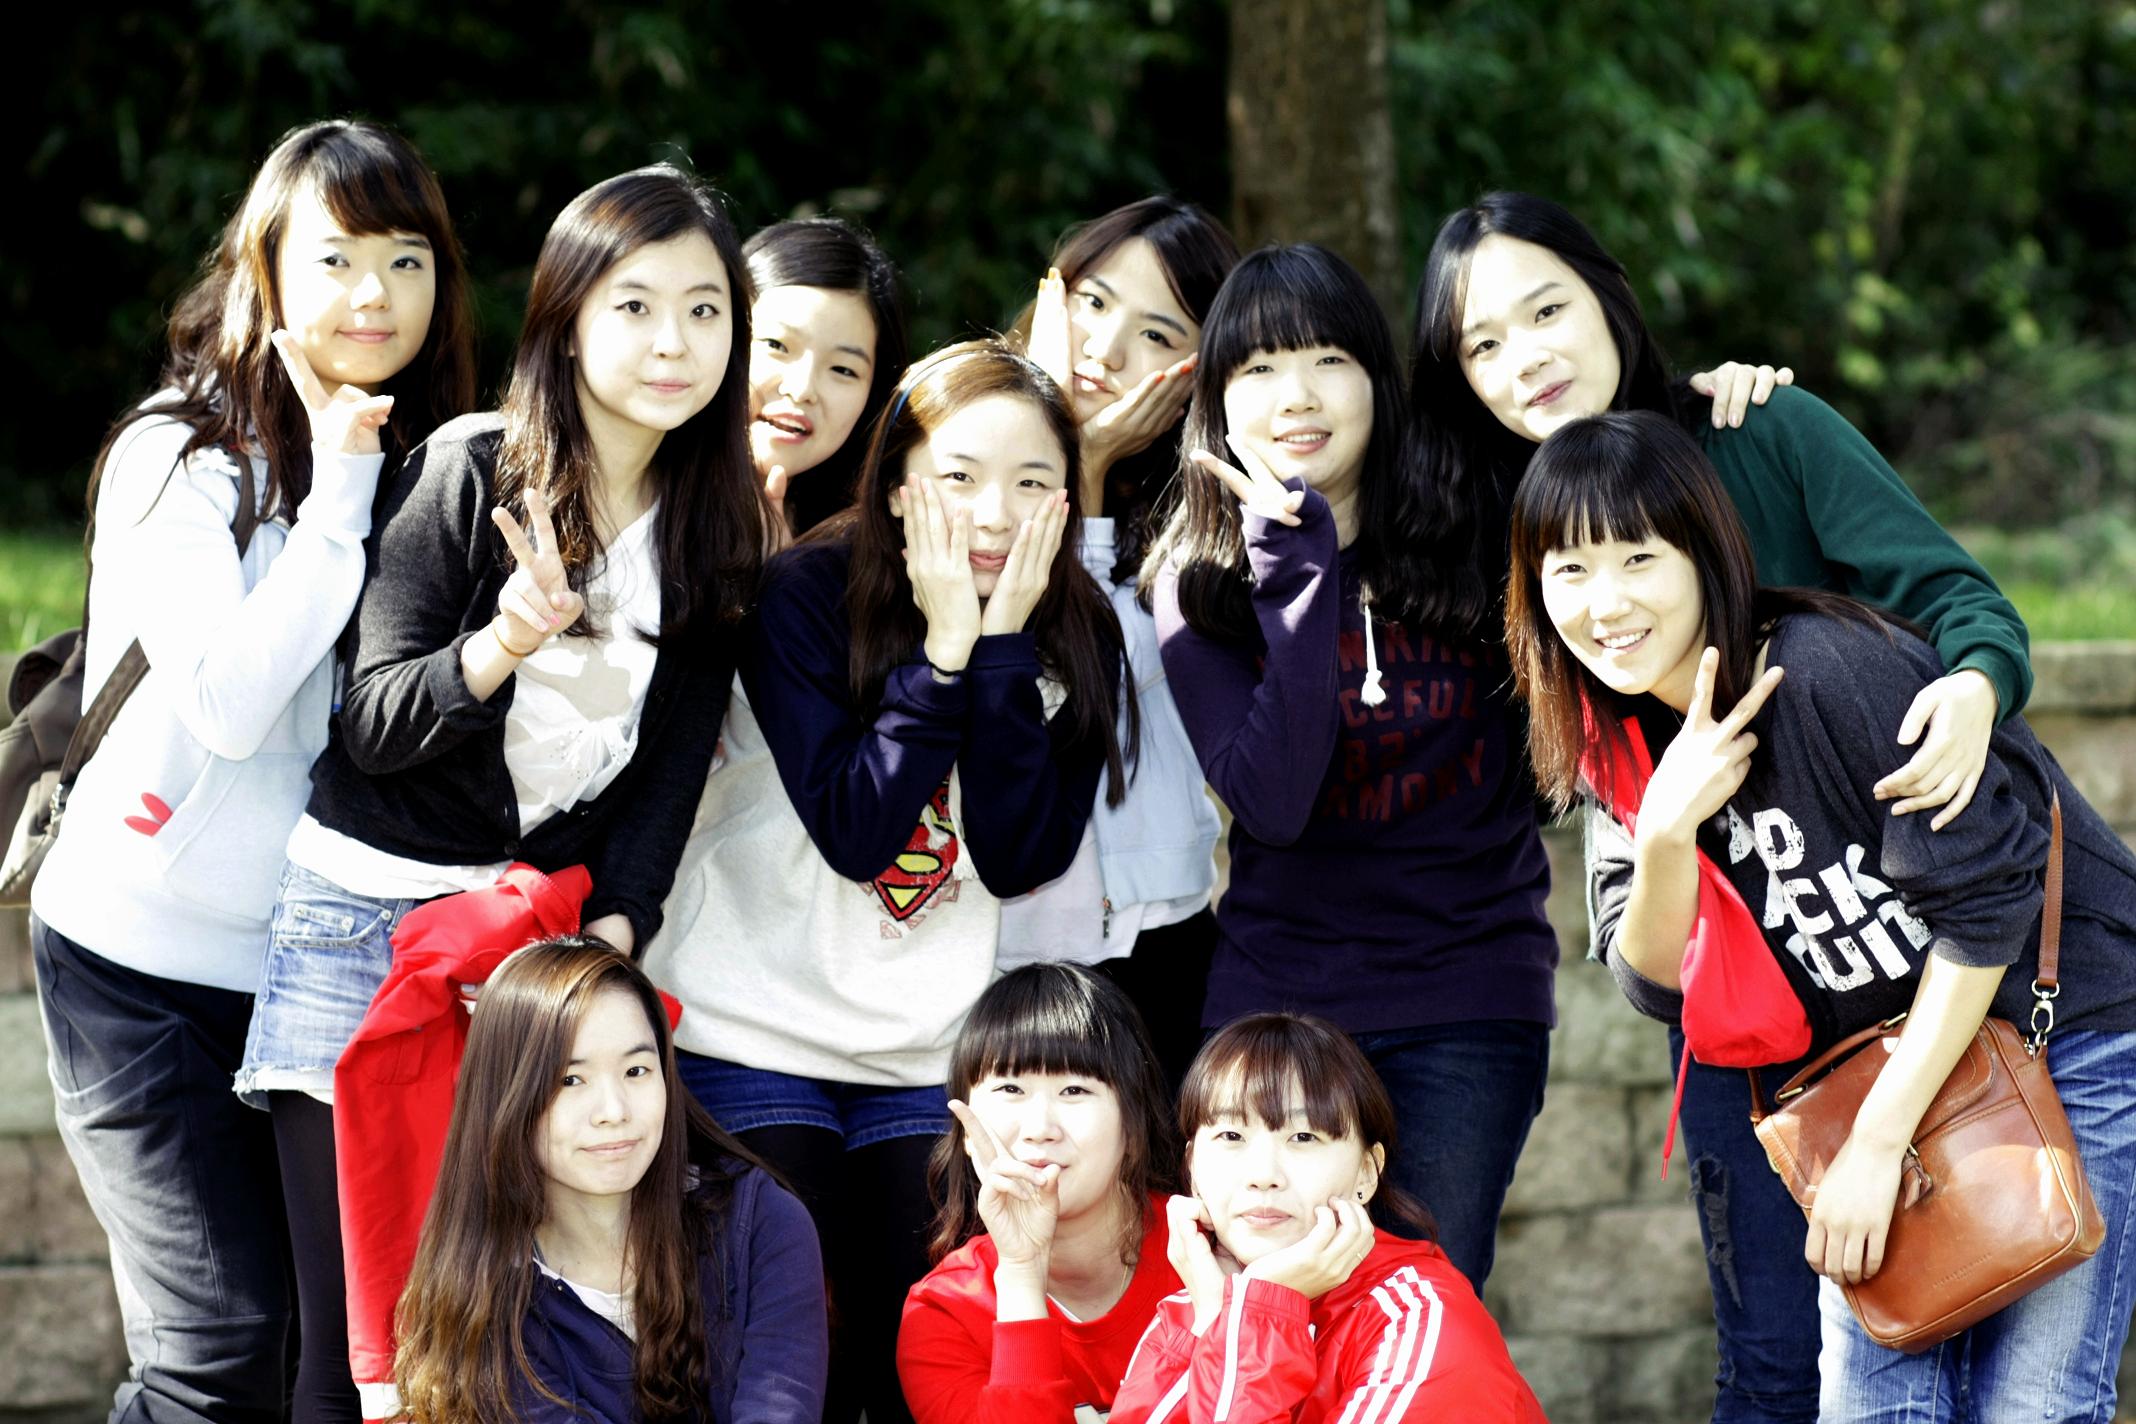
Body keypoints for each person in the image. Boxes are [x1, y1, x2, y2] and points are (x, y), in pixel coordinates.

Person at [1407, 190, 2034, 1419]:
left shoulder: (1758, 429)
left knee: (1969, 1330)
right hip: (1739, 998)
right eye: (1482, 342)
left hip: (1904, 964)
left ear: (1609, 300)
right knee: (1771, 1362)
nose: (1523, 356)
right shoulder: (1504, 523)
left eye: (1547, 311)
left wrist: (1972, 687)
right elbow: (1639, 940)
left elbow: (1964, 601)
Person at [238, 163, 763, 1423]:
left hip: (523, 954)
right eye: (635, 306)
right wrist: (501, 644)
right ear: (566, 317)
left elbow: (667, 778)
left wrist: (615, 931)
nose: (674, 341)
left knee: (485, 1339)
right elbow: (372, 726)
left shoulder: (713, 526)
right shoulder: (472, 469)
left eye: (704, 309)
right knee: (355, 1347)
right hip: (360, 932)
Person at [1506, 409, 2136, 1422]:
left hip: (2067, 1031)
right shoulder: (1615, 739)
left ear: (1706, 550)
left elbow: (1985, 911)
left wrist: (1877, 1143)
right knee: (1871, 1404)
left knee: (2033, 1400)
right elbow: (1654, 981)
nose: (1605, 602)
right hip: (1905, 1069)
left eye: (1638, 558)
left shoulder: (1828, 670)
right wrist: (1664, 833)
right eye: (1569, 570)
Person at [28, 118, 474, 1424]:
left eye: (406, 261)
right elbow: (226, 702)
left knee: (317, 1361)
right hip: (137, 966)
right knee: (216, 1349)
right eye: (337, 259)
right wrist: (337, 494)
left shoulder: (438, 465)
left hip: (312, 973)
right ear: (266, 269)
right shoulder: (179, 458)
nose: (374, 295)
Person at [648, 338, 1131, 1424]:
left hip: (925, 1051)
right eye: (960, 477)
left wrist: (1000, 652)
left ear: (1067, 497)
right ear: (899, 481)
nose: (995, 514)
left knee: (915, 1369)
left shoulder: (1074, 630)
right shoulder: (804, 595)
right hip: (752, 1030)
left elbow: (1018, 856)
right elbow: (859, 829)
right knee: (795, 1371)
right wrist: (944, 654)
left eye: (1032, 482)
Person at [1139, 242, 1559, 1290]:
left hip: (1466, 994)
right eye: (1260, 369)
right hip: (1280, 999)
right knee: (1266, 1299)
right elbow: (1273, 802)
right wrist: (1296, 578)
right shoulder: (1198, 581)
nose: (1299, 396)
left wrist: (1712, 397)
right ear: (1216, 402)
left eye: (1329, 359)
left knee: (1422, 1301)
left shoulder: (1478, 519)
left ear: (1378, 377)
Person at [393, 937, 826, 1424]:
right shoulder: (487, 1302)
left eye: (636, 1070)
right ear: (506, 1096)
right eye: (570, 1080)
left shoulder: (761, 1222)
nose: (614, 1111)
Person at [1011, 196, 1237, 1089]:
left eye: (1155, 333)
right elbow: (1020, 660)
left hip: (1161, 933)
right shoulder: (953, 458)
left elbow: (1097, 671)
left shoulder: (1209, 520)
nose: (1104, 350)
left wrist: (1092, 467)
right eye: (1094, 304)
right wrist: (1075, 460)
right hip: (1003, 945)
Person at [1110, 1012, 1544, 1421]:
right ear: (1192, 1167)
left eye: (1303, 1137)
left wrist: (1261, 1309)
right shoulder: (1196, 1301)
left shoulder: (1419, 1319)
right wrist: (1215, 1319)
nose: (1263, 1175)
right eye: (1231, 1135)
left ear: (1367, 1172)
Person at [898, 964, 1182, 1422]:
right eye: (1011, 1088)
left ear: (1134, 1125)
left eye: (1074, 1089)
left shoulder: (1210, 1254)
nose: (1040, 1129)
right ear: (966, 1131)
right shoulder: (943, 1313)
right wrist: (1022, 1273)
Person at [744, 216, 908, 538]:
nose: (802, 389)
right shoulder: (640, 500)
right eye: (776, 345)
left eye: (843, 369)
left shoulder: (867, 551)